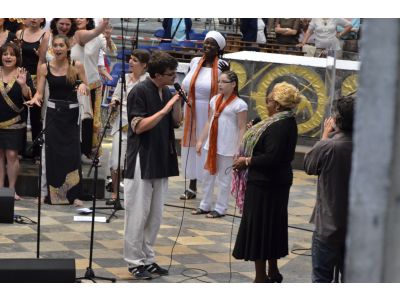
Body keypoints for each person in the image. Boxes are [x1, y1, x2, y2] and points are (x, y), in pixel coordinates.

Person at [232, 82, 300, 283]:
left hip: (266, 184)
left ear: (278, 105)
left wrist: (246, 161)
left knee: (261, 229)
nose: (266, 104)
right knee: (271, 227)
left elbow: (272, 157)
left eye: (269, 100)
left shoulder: (279, 126)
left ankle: (261, 277)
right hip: (273, 183)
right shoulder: (281, 122)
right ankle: (273, 271)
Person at [124, 51, 182, 280]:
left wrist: (176, 104)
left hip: (162, 156)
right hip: (142, 157)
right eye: (171, 74)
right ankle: (134, 260)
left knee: (155, 214)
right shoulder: (139, 91)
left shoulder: (167, 90)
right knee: (138, 212)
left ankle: (148, 257)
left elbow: (176, 122)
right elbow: (137, 126)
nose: (174, 77)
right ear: (157, 75)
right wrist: (165, 109)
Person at [26, 35, 89, 206]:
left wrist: (83, 86)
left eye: (62, 45)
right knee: (49, 154)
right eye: (56, 45)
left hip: (72, 114)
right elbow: (39, 92)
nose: (59, 48)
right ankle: (45, 193)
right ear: (51, 48)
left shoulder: (77, 66)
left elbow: (86, 86)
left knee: (72, 154)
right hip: (53, 112)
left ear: (68, 48)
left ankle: (74, 195)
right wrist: (35, 99)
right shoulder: (45, 68)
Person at [303, 96, 355, 283]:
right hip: (355, 228)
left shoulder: (330, 146)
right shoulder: (367, 148)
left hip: (328, 226)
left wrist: (325, 135)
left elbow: (309, 165)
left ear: (338, 121)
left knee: (321, 278)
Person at [180, 30, 229, 200]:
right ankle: (192, 185)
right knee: (192, 147)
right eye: (206, 42)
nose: (207, 46)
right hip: (192, 110)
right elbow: (185, 85)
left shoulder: (223, 65)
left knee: (207, 148)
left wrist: (226, 72)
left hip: (210, 112)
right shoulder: (194, 62)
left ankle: (207, 188)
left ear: (218, 49)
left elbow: (227, 89)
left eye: (212, 44)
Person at [191, 71, 247, 218]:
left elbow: (242, 127)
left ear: (233, 84)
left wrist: (238, 148)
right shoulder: (215, 99)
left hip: (228, 146)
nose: (220, 85)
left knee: (224, 179)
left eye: (224, 82)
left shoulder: (240, 104)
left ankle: (221, 208)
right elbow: (209, 121)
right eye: (219, 81)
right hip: (211, 145)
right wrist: (200, 140)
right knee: (208, 176)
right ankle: (205, 205)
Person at [107, 49, 150, 204]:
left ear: (144, 65)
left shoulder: (148, 81)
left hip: (138, 127)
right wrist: (114, 101)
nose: (131, 62)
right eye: (130, 59)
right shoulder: (124, 78)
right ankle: (114, 194)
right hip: (121, 124)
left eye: (135, 60)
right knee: (115, 162)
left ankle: (135, 196)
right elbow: (117, 95)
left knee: (135, 164)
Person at [72, 18, 114, 161]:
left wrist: (108, 38)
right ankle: (74, 148)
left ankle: (87, 150)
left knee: (89, 120)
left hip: (92, 84)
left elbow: (111, 51)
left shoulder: (97, 36)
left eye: (82, 16)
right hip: (74, 83)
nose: (78, 18)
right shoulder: (70, 36)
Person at [0, 42, 34, 200]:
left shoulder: (23, 73)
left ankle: (11, 190)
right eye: (5, 54)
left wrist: (23, 85)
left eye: (12, 54)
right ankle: (0, 189)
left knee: (12, 155)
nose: (8, 57)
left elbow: (29, 97)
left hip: (15, 122)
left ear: (17, 57)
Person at [16, 18, 47, 161]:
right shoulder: (19, 33)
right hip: (19, 77)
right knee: (19, 114)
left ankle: (36, 151)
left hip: (36, 77)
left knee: (36, 116)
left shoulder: (45, 35)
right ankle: (19, 149)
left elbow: (43, 61)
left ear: (42, 19)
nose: (34, 18)